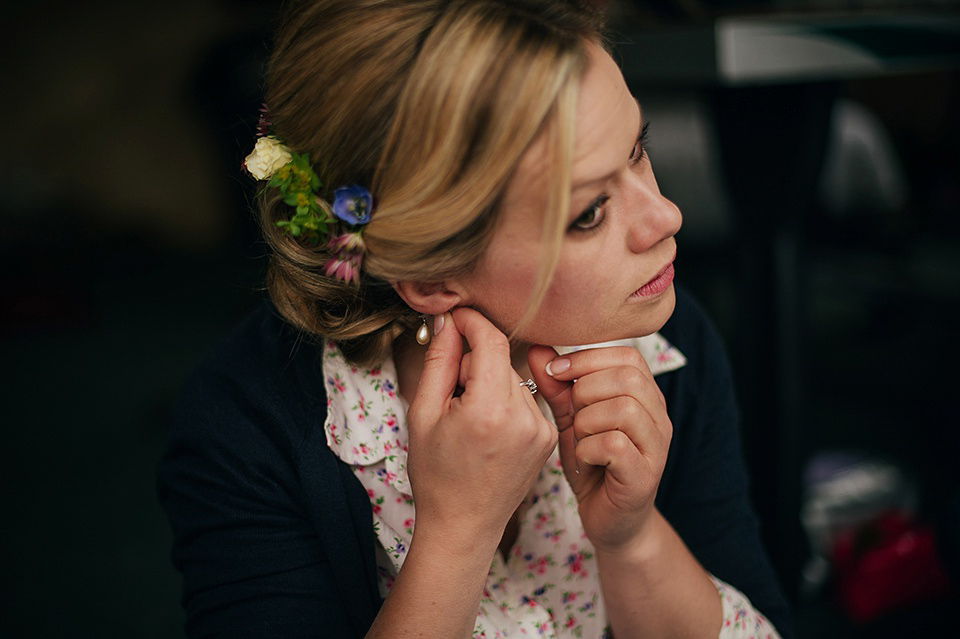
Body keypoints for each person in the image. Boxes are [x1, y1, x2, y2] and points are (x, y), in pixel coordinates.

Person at [157, 1, 792, 637]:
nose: (666, 217)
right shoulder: (245, 424)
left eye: (638, 150)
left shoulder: (665, 342)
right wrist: (457, 536)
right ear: (432, 276)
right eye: (589, 213)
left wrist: (631, 538)